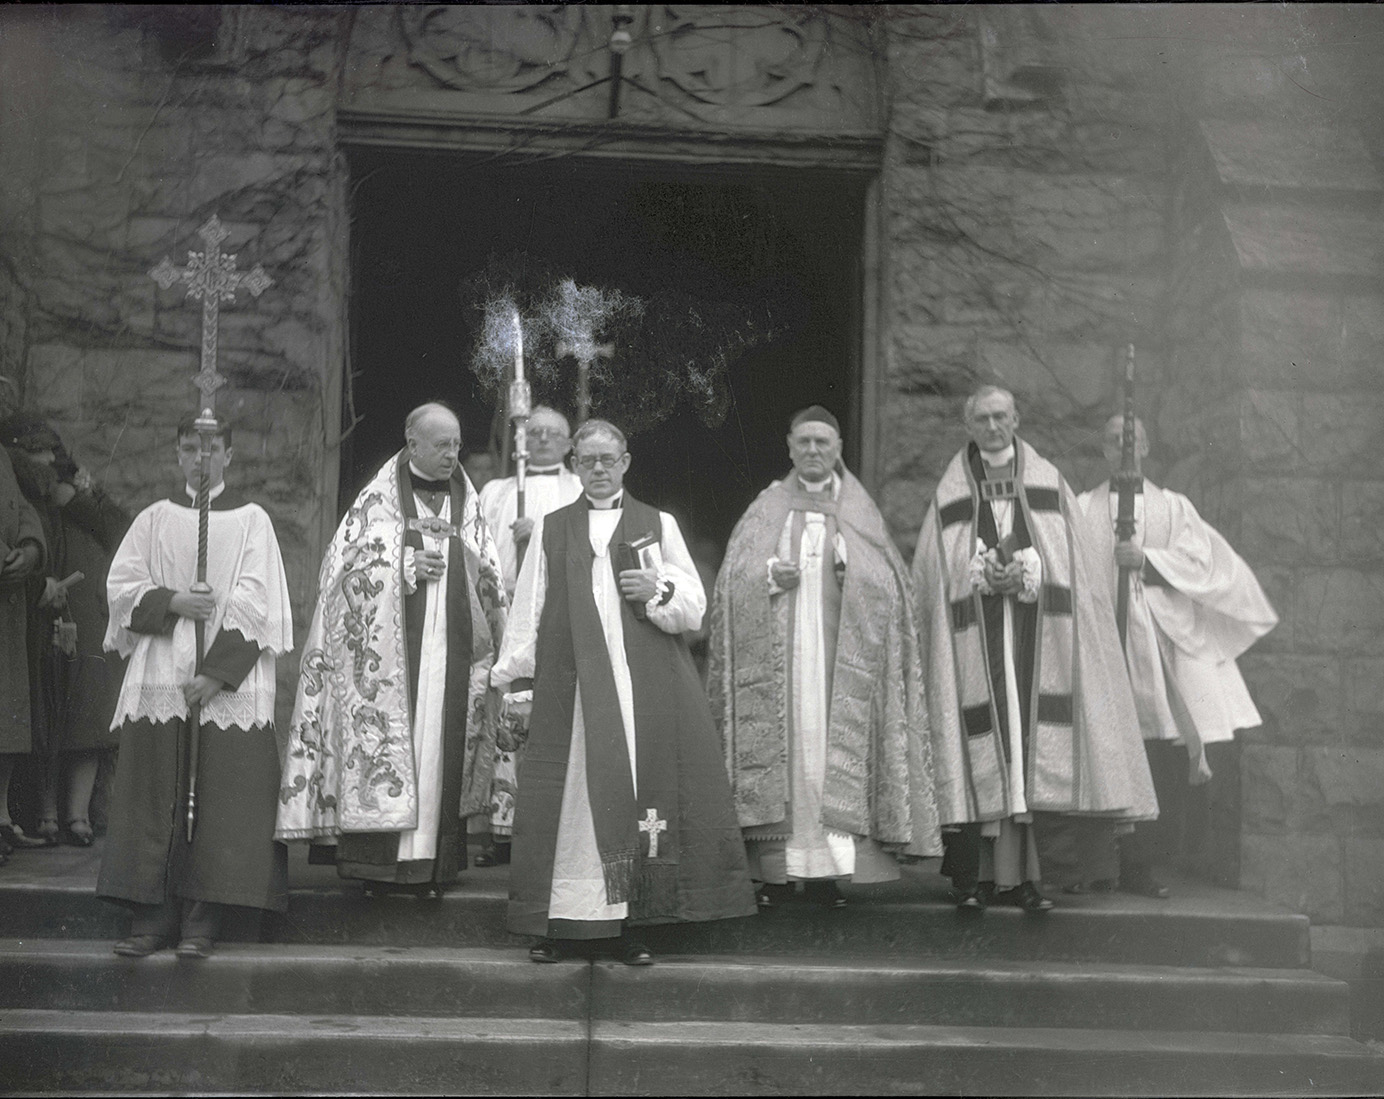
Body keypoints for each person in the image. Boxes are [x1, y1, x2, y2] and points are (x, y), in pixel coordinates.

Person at [493, 419, 755, 966]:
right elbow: (528, 609)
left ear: (626, 462)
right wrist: (519, 684)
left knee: (639, 798)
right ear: (575, 465)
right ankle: (562, 924)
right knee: (570, 803)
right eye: (587, 460)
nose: (597, 469)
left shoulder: (656, 525)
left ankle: (634, 925)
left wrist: (655, 588)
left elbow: (694, 605)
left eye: (607, 459)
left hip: (641, 685)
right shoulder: (553, 527)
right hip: (571, 690)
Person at [911, 386, 1156, 913]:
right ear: (968, 423)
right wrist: (977, 575)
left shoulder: (1047, 481)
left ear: (1017, 418)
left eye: (1001, 416)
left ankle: (1028, 881)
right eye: (982, 418)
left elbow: (1069, 559)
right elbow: (937, 570)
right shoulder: (951, 490)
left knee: (1028, 747)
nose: (993, 426)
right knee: (976, 741)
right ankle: (970, 880)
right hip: (974, 642)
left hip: (1034, 637)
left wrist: (1027, 573)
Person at [708, 405, 940, 909]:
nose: (813, 451)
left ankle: (829, 875)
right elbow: (731, 584)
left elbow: (890, 587)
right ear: (790, 447)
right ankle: (777, 873)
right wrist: (769, 575)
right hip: (783, 668)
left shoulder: (860, 510)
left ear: (838, 451)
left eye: (823, 443)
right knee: (791, 761)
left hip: (840, 668)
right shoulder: (767, 506)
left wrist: (852, 575)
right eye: (804, 442)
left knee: (830, 759)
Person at [277, 403, 507, 895]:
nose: (452, 455)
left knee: (440, 744)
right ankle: (379, 865)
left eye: (457, 445)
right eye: (442, 445)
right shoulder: (376, 500)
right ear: (412, 440)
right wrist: (400, 565)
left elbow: (489, 573)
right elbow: (339, 574)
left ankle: (431, 865)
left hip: (451, 649)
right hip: (390, 658)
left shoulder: (469, 499)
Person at [97, 417, 293, 958]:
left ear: (229, 455)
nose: (199, 461)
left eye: (210, 451)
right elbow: (121, 587)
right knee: (157, 792)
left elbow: (259, 600)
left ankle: (203, 922)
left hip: (227, 679)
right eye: (189, 450)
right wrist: (174, 602)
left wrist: (217, 672)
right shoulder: (155, 519)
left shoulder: (253, 521)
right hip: (163, 666)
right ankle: (153, 918)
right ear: (178, 454)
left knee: (220, 798)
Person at [1075, 414, 1277, 897]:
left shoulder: (1173, 508)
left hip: (1157, 643)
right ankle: (1097, 865)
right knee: (1101, 748)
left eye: (1131, 439)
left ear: (1145, 446)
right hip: (1103, 640)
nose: (1123, 448)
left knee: (1156, 753)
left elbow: (1202, 563)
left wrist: (1147, 561)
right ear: (1103, 450)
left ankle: (1142, 867)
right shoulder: (1082, 507)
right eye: (1112, 441)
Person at [1, 414, 128, 849]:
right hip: (33, 615)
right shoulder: (21, 492)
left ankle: (75, 813)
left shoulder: (77, 496)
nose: (49, 461)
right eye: (40, 453)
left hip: (81, 616)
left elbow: (119, 531)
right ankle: (46, 814)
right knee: (42, 715)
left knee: (85, 716)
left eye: (54, 454)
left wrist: (81, 496)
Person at [475, 405, 582, 867]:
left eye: (550, 433)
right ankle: (498, 829)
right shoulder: (498, 491)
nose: (540, 440)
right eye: (532, 432)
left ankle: (547, 827)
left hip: (554, 616)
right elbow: (476, 548)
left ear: (567, 443)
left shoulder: (578, 488)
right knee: (499, 716)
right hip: (503, 613)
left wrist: (539, 535)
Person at [0, 440, 46, 867]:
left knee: (6, 719)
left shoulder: (3, 456)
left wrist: (30, 549)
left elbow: (24, 511)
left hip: (5, 607)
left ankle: (0, 818)